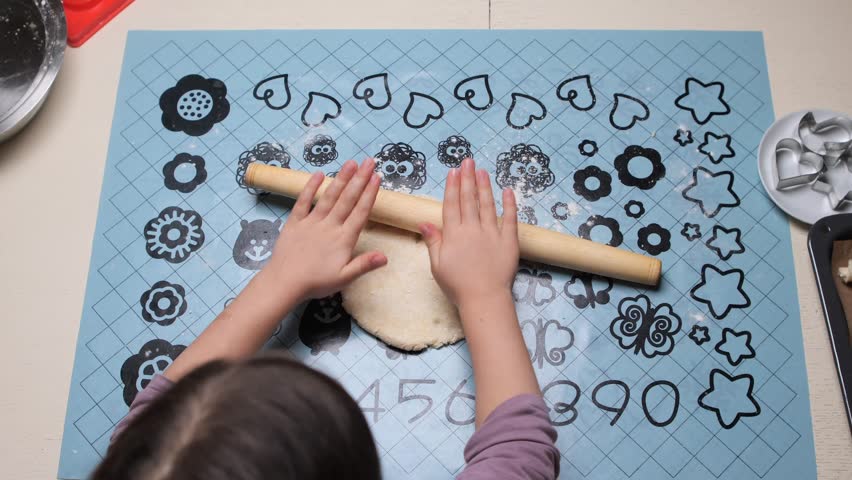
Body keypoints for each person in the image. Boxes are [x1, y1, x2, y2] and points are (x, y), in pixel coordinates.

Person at [93, 158, 559, 480]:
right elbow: (518, 453)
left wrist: (281, 280)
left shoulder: (144, 464)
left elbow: (158, 423)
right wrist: (485, 294)